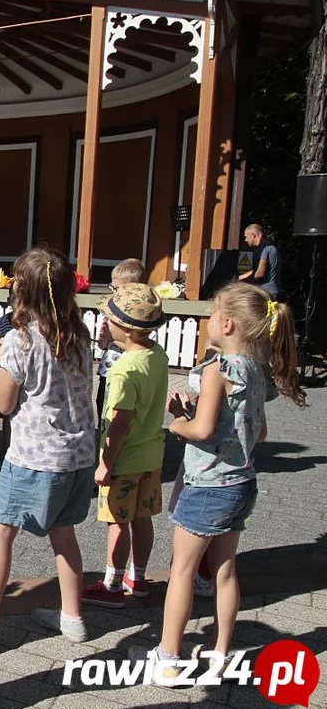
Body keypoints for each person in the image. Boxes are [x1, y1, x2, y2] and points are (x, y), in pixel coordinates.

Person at [130, 283, 306, 682]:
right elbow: (256, 432)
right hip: (241, 484)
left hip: (207, 486)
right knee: (224, 573)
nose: (206, 321)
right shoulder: (257, 373)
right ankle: (221, 653)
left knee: (182, 572)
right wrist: (197, 415)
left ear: (227, 324)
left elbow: (204, 430)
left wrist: (179, 423)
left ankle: (169, 658)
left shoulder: (216, 370)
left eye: (210, 314)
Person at [0, 248, 95, 652]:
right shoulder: (80, 335)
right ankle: (73, 618)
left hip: (34, 457)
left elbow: (5, 406)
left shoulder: (19, 339)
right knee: (65, 536)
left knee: (0, 534)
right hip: (77, 454)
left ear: (20, 291)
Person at [81, 284, 169, 609]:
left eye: (109, 318)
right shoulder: (157, 355)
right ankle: (139, 577)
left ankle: (113, 585)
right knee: (142, 518)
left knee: (117, 521)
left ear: (127, 329)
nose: (105, 323)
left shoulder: (123, 370)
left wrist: (105, 463)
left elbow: (120, 423)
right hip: (152, 453)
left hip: (125, 459)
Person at [96, 259, 147, 425]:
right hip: (108, 371)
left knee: (120, 416)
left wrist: (114, 339)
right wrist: (103, 339)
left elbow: (139, 347)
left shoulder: (142, 316)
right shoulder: (113, 311)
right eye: (112, 288)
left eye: (117, 289)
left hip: (127, 373)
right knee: (102, 412)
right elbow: (103, 345)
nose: (114, 293)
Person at [237, 224, 281, 299]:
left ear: (253, 235)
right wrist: (240, 277)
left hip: (266, 292)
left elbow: (259, 273)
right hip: (267, 290)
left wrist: (242, 282)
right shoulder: (267, 247)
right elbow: (256, 270)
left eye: (246, 237)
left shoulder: (265, 248)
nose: (246, 240)